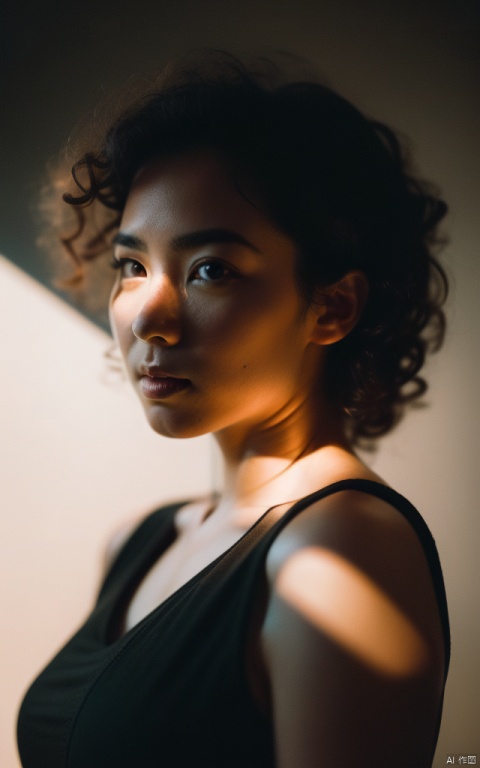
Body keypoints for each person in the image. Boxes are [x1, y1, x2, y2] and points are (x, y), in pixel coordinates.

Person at [17, 52, 450, 768]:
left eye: (210, 269)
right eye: (133, 265)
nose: (148, 316)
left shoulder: (340, 553)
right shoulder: (140, 539)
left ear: (333, 306)